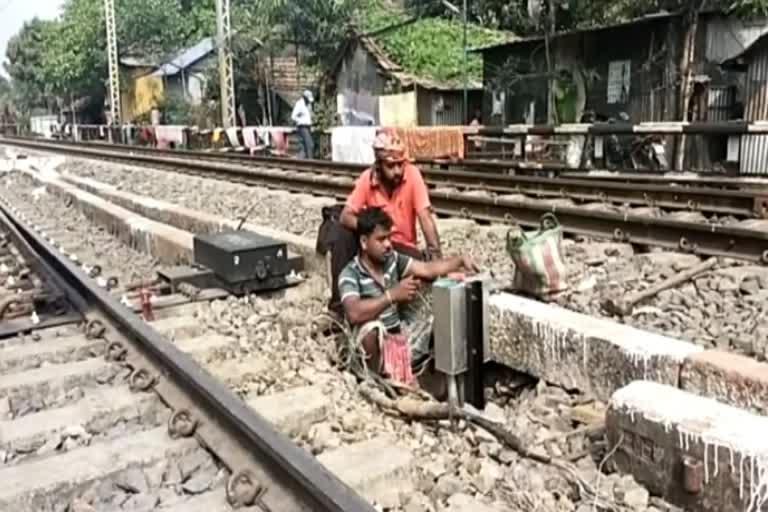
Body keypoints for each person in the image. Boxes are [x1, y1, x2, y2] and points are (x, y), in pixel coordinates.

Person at [338, 207, 477, 373]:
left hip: (398, 340)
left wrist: (459, 260)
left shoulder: (392, 260)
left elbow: (427, 269)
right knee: (370, 330)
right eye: (381, 239)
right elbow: (353, 313)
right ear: (363, 242)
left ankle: (425, 370)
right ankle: (377, 381)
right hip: (372, 351)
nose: (388, 244)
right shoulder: (350, 273)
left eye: (389, 237)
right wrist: (391, 296)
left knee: (438, 303)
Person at [326, 128, 443, 317]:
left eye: (400, 164)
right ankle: (338, 308)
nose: (397, 171)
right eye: (391, 166)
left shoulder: (412, 175)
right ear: (379, 165)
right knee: (341, 233)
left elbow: (425, 217)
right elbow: (346, 215)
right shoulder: (367, 179)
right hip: (377, 244)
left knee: (422, 270)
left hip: (402, 247)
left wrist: (436, 255)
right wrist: (371, 232)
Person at [291, 90, 314, 159]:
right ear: (304, 97)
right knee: (309, 144)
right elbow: (293, 116)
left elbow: (309, 115)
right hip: (302, 126)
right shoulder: (299, 104)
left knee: (303, 146)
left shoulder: (309, 104)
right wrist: (301, 121)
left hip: (308, 126)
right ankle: (310, 161)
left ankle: (302, 161)